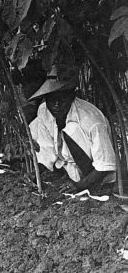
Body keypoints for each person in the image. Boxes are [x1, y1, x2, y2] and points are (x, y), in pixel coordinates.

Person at [29, 64, 116, 193]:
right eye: (51, 100)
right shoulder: (44, 110)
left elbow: (104, 166)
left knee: (72, 129)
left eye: (62, 100)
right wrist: (36, 172)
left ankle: (90, 184)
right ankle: (68, 176)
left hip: (97, 174)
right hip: (69, 167)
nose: (56, 105)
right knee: (34, 125)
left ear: (71, 96)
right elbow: (46, 149)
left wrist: (78, 187)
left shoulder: (91, 121)